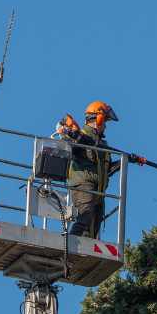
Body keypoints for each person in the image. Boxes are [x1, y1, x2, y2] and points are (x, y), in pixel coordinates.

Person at [55, 101, 119, 238]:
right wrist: (72, 135)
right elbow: (71, 148)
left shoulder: (103, 145)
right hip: (85, 185)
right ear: (99, 119)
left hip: (99, 190)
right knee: (85, 216)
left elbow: (107, 169)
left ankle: (81, 250)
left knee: (93, 228)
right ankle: (70, 244)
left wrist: (126, 161)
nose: (106, 127)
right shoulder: (80, 135)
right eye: (105, 122)